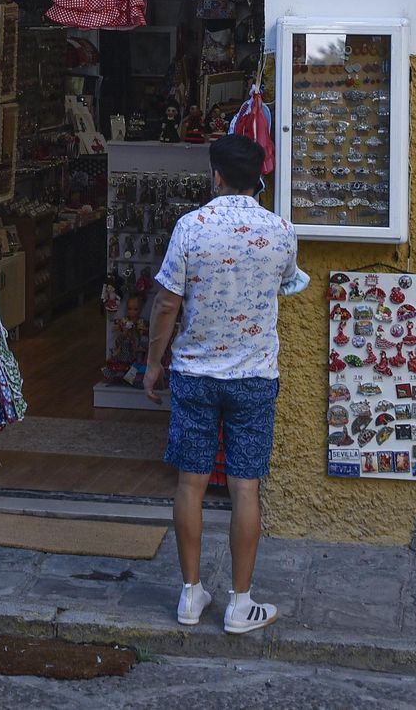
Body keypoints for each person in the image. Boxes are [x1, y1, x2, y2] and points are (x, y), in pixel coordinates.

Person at [143, 133, 308, 635]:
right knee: (245, 486)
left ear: (216, 175)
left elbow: (167, 303)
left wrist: (153, 364)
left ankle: (191, 594)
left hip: (195, 374)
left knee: (190, 483)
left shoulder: (191, 228)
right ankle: (240, 602)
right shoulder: (281, 231)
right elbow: (287, 283)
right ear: (258, 178)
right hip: (254, 375)